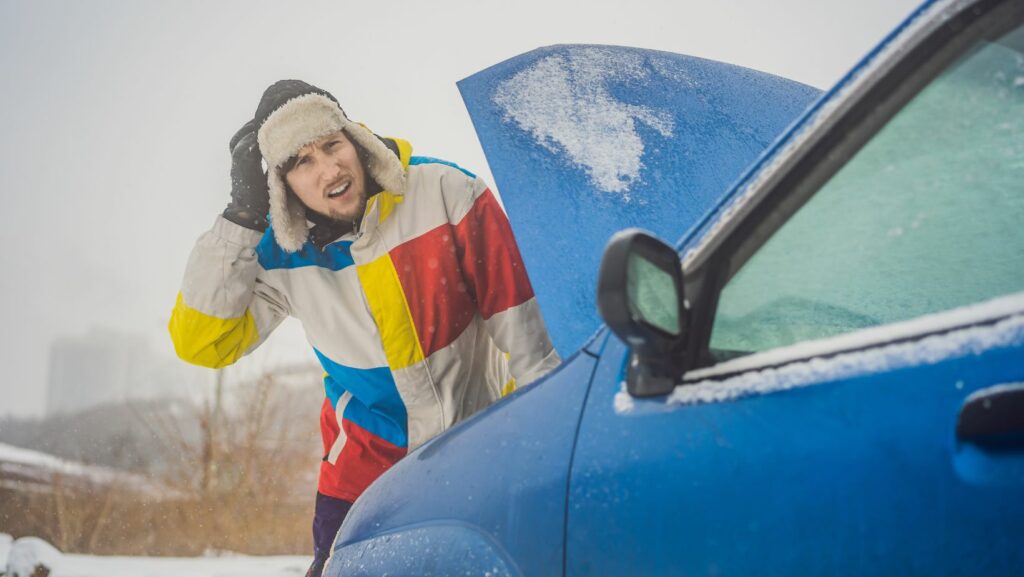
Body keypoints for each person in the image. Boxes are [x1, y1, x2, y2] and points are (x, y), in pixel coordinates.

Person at [168, 80, 561, 576]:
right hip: (361, 480)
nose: (329, 169)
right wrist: (242, 216)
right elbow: (204, 343)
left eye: (332, 145)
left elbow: (530, 341)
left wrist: (544, 450)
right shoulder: (277, 250)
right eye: (302, 162)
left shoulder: (446, 193)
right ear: (281, 184)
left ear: (355, 139)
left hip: (477, 452)